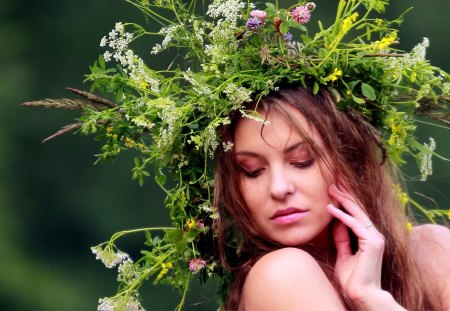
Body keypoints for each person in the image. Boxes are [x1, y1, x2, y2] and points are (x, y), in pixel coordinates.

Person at [214, 85, 450, 310]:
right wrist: (370, 299)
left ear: (351, 160)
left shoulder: (435, 249)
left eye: (302, 161)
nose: (278, 188)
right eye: (252, 170)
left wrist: (374, 298)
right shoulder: (281, 274)